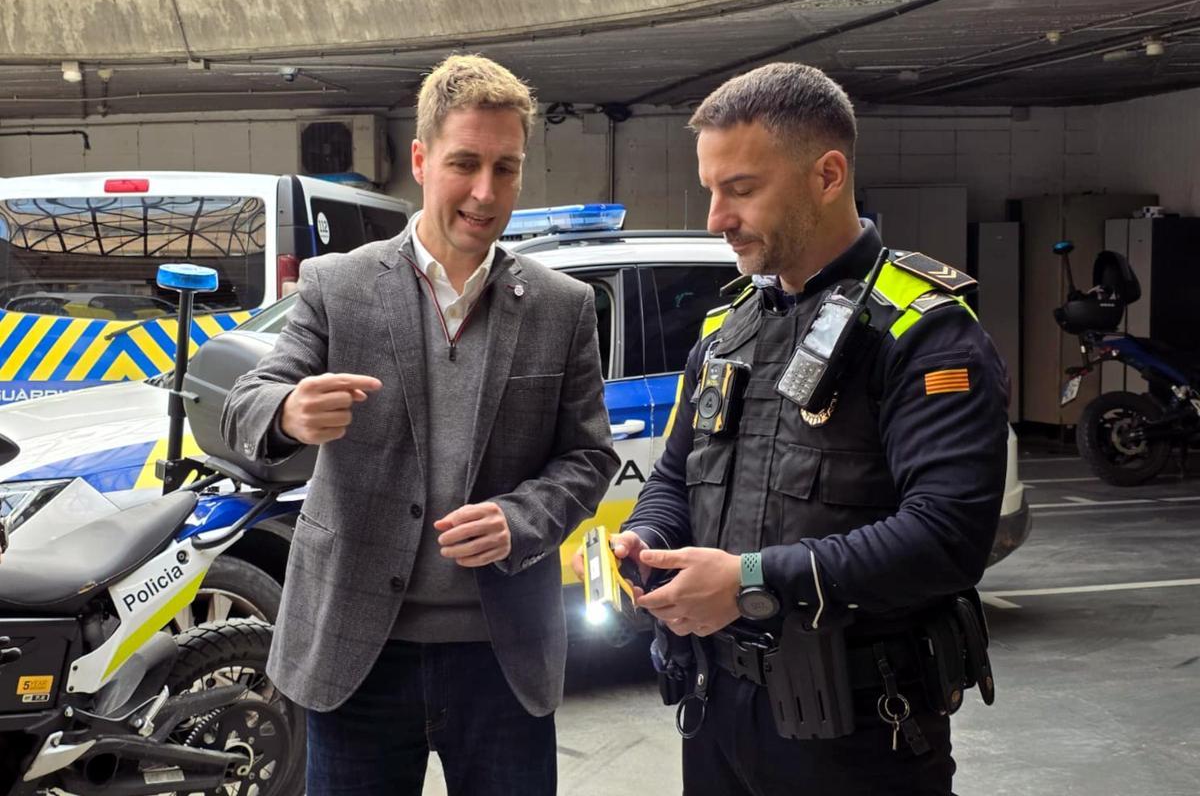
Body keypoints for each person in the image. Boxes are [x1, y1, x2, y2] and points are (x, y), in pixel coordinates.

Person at [593, 62, 1008, 795]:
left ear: (827, 175)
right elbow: (674, 479)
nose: (717, 217)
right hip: (717, 711)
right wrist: (650, 542)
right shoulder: (727, 331)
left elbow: (945, 538)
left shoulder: (925, 334)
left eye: (742, 189)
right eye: (711, 190)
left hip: (859, 734)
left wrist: (751, 580)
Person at [223, 53, 619, 796]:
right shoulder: (337, 286)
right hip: (357, 655)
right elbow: (250, 397)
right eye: (465, 163)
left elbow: (589, 457)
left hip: (503, 662)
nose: (484, 191)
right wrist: (287, 410)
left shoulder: (562, 307)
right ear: (420, 157)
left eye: (506, 168)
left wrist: (521, 517)